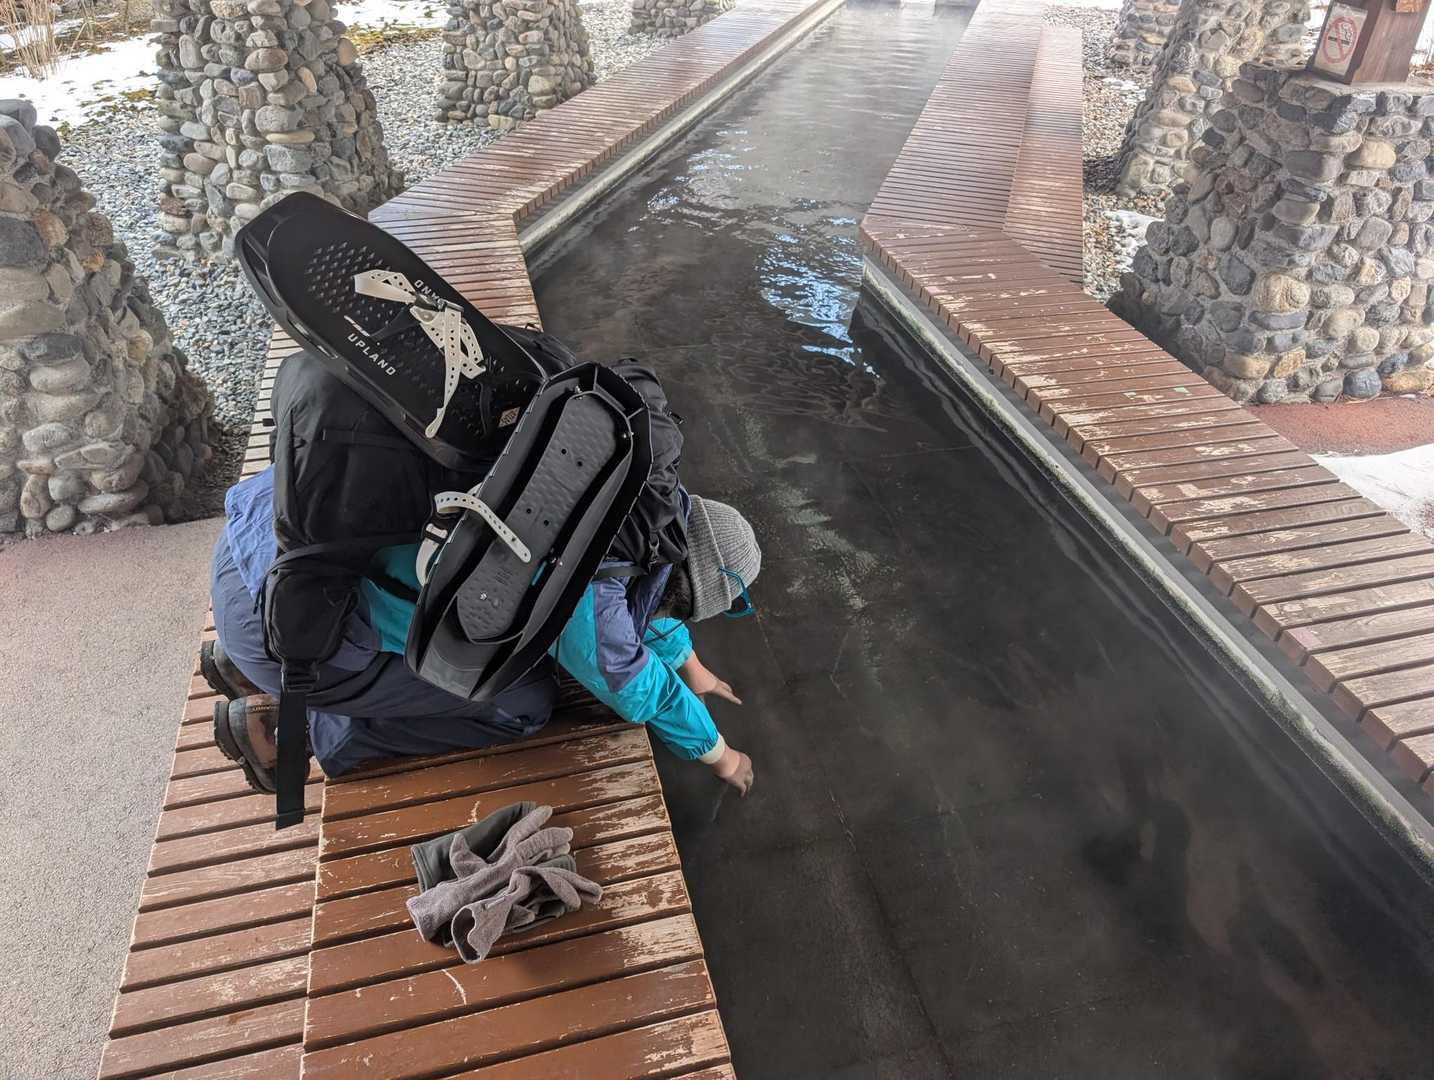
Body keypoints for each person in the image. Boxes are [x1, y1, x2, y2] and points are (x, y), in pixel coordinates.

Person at [205, 465, 760, 799]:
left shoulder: (606, 474)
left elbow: (643, 598)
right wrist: (720, 755)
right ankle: (298, 727)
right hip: (276, 623)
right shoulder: (588, 586)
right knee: (524, 700)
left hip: (261, 537)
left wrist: (692, 667)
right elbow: (635, 684)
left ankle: (237, 663)